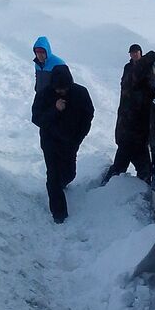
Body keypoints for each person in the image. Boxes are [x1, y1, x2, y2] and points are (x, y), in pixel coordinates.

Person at [31, 63, 94, 223]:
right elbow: (37, 118)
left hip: (71, 142)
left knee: (69, 173)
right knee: (53, 175)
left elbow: (88, 115)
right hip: (50, 141)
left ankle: (62, 183)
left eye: (64, 89)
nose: (61, 92)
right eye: (58, 89)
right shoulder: (44, 94)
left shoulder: (80, 93)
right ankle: (59, 214)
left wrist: (80, 136)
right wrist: (55, 109)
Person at [102, 43, 155, 184]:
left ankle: (110, 189)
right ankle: (107, 192)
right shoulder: (130, 71)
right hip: (129, 130)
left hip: (138, 131)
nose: (134, 55)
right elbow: (137, 70)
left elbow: (151, 95)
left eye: (136, 52)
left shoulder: (146, 72)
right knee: (125, 166)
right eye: (132, 53)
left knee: (136, 167)